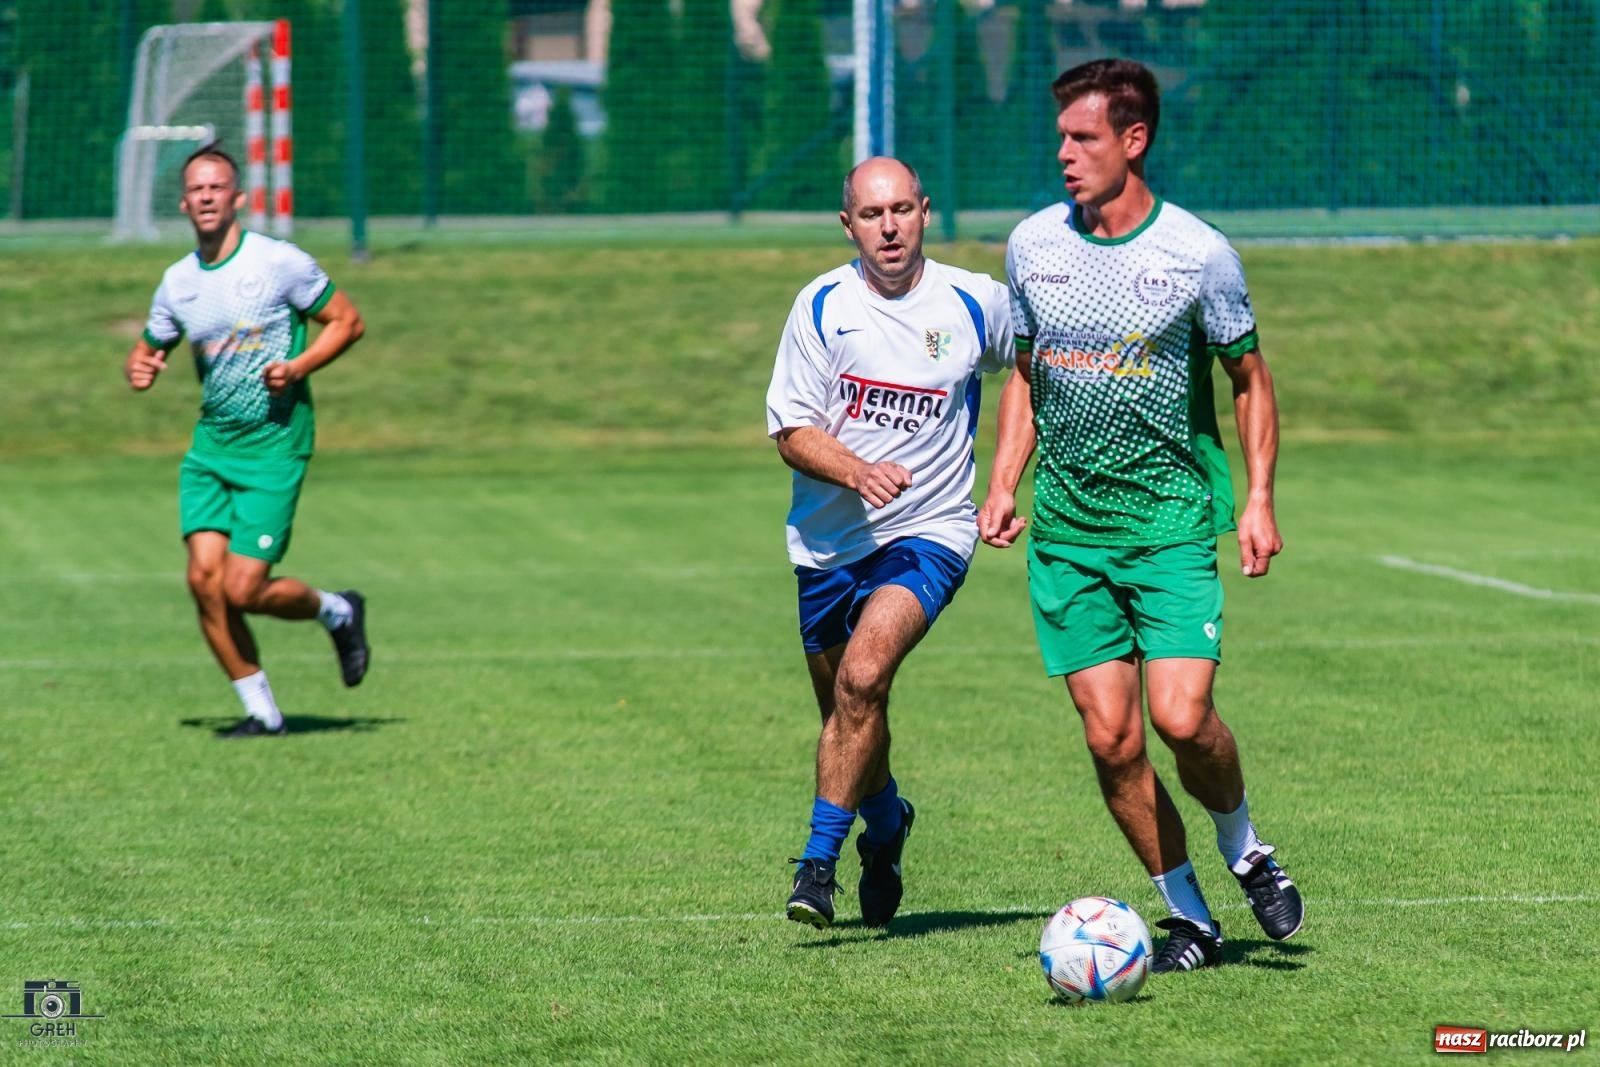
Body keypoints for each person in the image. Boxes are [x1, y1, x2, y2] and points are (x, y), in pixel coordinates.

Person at [979, 59, 1303, 971]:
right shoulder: (1033, 245)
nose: (1065, 155)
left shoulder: (1199, 254)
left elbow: (1249, 377)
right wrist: (1004, 480)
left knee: (1181, 716)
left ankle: (1245, 849)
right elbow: (1029, 375)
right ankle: (1189, 915)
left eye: (1083, 139)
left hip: (1167, 524)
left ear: (1134, 140)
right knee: (1111, 737)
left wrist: (1259, 498)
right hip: (1070, 534)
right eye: (1060, 138)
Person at [766, 157, 1013, 929]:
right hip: (828, 546)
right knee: (848, 711)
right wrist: (857, 469)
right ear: (849, 225)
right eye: (872, 215)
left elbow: (1039, 367)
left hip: (932, 530)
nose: (890, 227)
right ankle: (886, 825)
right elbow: (790, 429)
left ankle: (816, 865)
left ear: (925, 212)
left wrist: (1004, 481)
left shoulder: (976, 301)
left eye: (902, 209)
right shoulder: (822, 306)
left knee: (864, 678)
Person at [124, 144, 370, 739]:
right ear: (184, 203)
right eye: (196, 189)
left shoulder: (277, 262)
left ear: (237, 198)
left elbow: (347, 321)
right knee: (202, 583)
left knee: (243, 588)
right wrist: (141, 364)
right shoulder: (177, 282)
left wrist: (301, 365)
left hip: (274, 448)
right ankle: (262, 713)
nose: (206, 197)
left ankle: (337, 610)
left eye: (217, 187)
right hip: (210, 452)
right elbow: (151, 344)